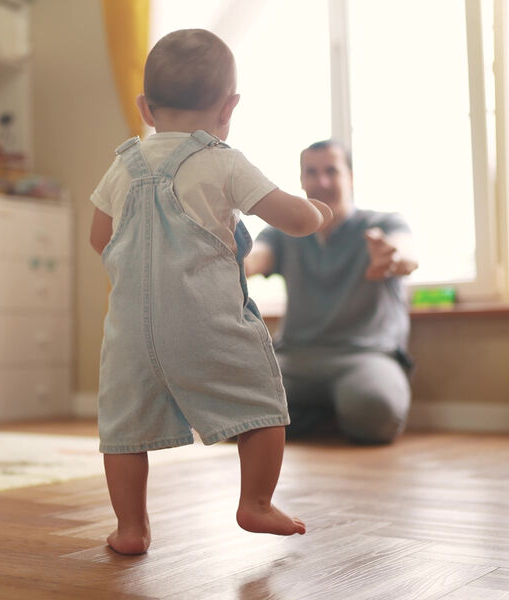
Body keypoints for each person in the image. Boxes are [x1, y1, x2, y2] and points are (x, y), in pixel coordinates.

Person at [88, 29, 332, 555]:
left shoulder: (122, 165)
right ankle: (257, 503)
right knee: (264, 404)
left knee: (124, 431)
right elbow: (292, 218)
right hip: (206, 324)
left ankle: (131, 528)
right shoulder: (223, 161)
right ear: (229, 107)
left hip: (129, 334)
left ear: (145, 108)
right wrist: (317, 212)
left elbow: (98, 238)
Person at [245, 139, 418, 445]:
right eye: (311, 172)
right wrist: (229, 258)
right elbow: (255, 259)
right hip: (294, 359)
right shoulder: (283, 234)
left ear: (349, 177)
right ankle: (326, 415)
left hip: (365, 356)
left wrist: (390, 258)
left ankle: (310, 416)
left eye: (331, 171)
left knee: (376, 413)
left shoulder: (384, 223)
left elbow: (406, 255)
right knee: (237, 410)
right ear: (301, 180)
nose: (321, 181)